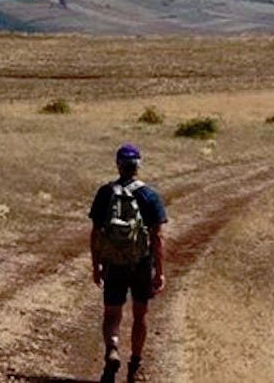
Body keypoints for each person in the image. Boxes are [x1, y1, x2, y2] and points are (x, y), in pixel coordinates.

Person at [90, 144, 167, 383]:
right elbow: (157, 237)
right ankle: (135, 364)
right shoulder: (150, 195)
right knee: (140, 314)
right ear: (138, 166)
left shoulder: (105, 193)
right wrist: (159, 272)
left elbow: (95, 234)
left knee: (112, 314)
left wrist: (96, 265)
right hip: (141, 264)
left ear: (118, 165)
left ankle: (112, 349)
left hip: (113, 263)